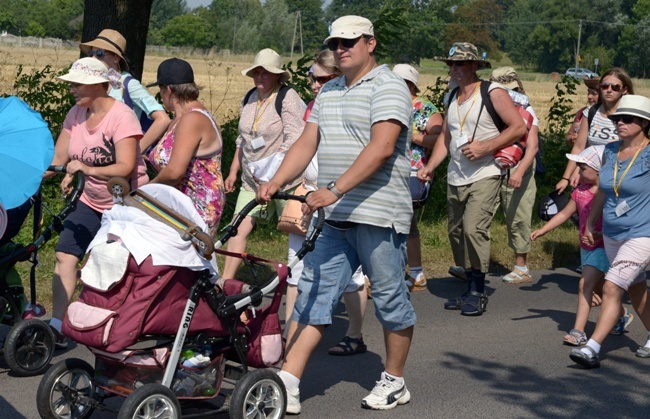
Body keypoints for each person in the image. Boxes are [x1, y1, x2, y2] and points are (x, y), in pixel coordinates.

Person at [257, 15, 416, 413]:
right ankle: (289, 382)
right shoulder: (328, 93)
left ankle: (394, 380)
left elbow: (381, 148)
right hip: (335, 218)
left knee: (390, 300)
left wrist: (334, 189)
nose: (341, 49)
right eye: (336, 43)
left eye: (350, 42)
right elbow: (306, 144)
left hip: (379, 215)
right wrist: (275, 181)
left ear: (370, 43)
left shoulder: (389, 86)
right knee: (312, 297)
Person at [418, 43, 526, 316]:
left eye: (461, 64)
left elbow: (518, 127)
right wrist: (431, 166)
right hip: (456, 174)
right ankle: (469, 286)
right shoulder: (451, 96)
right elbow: (446, 137)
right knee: (455, 232)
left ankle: (477, 290)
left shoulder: (493, 92)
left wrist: (486, 147)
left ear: (475, 65)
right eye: (451, 64)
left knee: (472, 228)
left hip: (486, 172)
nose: (454, 69)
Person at [47, 57, 148, 348]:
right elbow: (59, 159)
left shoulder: (122, 116)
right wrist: (38, 173)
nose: (72, 89)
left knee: (114, 270)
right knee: (64, 256)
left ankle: (120, 327)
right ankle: (58, 326)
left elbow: (126, 166)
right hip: (89, 200)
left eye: (77, 83)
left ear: (97, 85)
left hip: (124, 204)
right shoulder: (76, 113)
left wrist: (85, 169)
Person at [285, 49, 369, 356]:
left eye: (320, 79)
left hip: (341, 200)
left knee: (352, 277)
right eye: (311, 79)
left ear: (337, 77)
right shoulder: (313, 107)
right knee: (296, 267)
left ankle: (355, 334)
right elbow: (305, 147)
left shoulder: (351, 107)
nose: (314, 85)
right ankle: (289, 335)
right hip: (308, 195)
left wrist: (333, 190)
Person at [571, 95, 650, 369]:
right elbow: (606, 188)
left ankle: (592, 347)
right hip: (613, 233)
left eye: (627, 119)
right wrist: (592, 222)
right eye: (617, 119)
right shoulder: (611, 150)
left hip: (642, 233)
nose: (619, 123)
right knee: (637, 287)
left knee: (612, 285)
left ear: (643, 123)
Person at [531, 146, 632, 346]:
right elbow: (563, 214)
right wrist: (543, 230)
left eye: (582, 168)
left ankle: (578, 331)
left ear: (598, 170)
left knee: (584, 285)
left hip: (605, 246)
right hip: (586, 248)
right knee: (602, 290)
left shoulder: (613, 194)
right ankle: (621, 314)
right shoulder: (580, 192)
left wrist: (600, 234)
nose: (578, 172)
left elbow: (623, 221)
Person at [223, 48, 305, 280]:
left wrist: (275, 174)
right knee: (236, 228)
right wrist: (233, 171)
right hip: (251, 181)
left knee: (295, 232)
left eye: (266, 72)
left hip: (285, 181)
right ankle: (226, 281)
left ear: (278, 75)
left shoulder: (287, 97)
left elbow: (295, 138)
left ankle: (300, 282)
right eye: (256, 72)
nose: (260, 77)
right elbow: (243, 139)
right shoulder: (249, 98)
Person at [145, 58, 225, 236]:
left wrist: (144, 192)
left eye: (160, 89)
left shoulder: (192, 119)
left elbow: (174, 172)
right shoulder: (179, 119)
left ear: (169, 90)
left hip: (196, 207)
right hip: (177, 203)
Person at [392, 64, 443, 291]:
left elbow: (439, 138)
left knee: (401, 223)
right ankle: (416, 273)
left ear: (410, 85)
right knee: (406, 224)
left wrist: (411, 136)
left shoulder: (424, 108)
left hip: (414, 172)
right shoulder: (388, 103)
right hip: (390, 171)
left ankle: (399, 274)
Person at [80, 29, 171, 154]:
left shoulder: (129, 84)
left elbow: (163, 119)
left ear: (116, 58)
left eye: (100, 53)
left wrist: (135, 153)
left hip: (121, 163)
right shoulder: (93, 83)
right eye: (91, 53)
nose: (93, 58)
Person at [488, 67, 539, 284]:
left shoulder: (528, 109)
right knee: (479, 214)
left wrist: (519, 172)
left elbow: (533, 147)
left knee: (517, 215)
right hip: (490, 166)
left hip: (518, 167)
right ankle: (471, 265)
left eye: (511, 89)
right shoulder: (488, 105)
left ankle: (521, 267)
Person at [556, 68, 634, 194]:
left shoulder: (630, 116)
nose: (609, 90)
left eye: (615, 87)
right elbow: (578, 147)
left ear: (624, 90)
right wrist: (567, 176)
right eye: (604, 86)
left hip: (618, 179)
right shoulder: (592, 112)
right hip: (589, 179)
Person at [566, 77, 600, 146]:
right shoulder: (582, 112)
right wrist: (571, 139)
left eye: (594, 93)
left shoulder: (612, 115)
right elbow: (569, 135)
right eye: (588, 92)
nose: (589, 96)